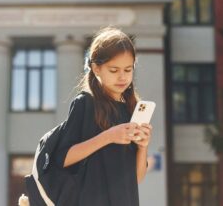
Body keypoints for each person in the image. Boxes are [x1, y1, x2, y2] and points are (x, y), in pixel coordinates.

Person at [54, 26, 153, 206]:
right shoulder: (85, 103)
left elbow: (136, 179)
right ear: (96, 68)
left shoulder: (131, 110)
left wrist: (143, 147)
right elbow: (63, 158)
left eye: (128, 70)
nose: (122, 77)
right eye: (114, 70)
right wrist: (108, 137)